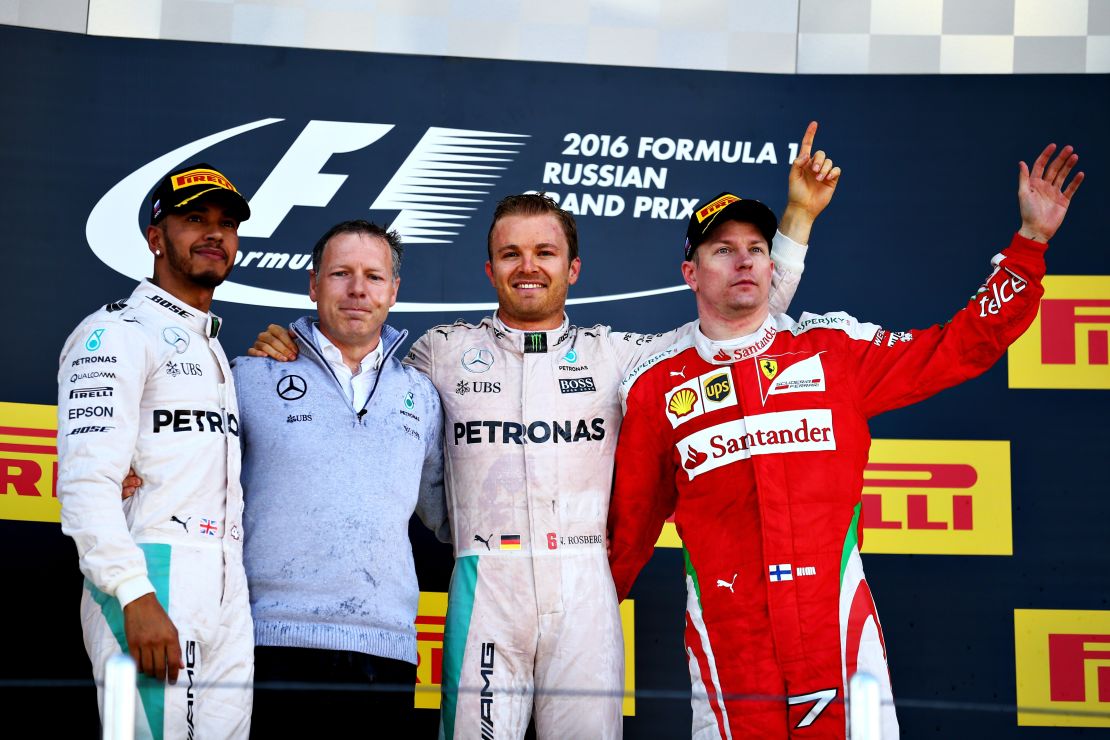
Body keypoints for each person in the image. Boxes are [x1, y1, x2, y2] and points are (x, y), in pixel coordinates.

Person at [251, 122, 840, 738]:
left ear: (574, 268)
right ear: (488, 268)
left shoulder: (616, 356)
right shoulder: (442, 351)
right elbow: (360, 379)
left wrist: (797, 219)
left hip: (586, 579)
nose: (527, 267)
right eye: (511, 254)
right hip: (483, 579)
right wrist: (292, 346)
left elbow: (741, 321)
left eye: (545, 253)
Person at [605, 143, 1084, 739]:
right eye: (723, 250)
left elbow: (959, 348)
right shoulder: (654, 385)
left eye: (756, 248)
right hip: (730, 646)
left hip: (838, 633)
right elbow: (628, 531)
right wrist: (582, 625)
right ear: (690, 271)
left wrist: (1030, 243)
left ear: (773, 265)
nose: (745, 262)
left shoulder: (833, 351)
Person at [57, 162, 254, 738]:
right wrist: (132, 594)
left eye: (226, 223)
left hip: (225, 588)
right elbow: (85, 483)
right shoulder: (116, 332)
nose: (214, 234)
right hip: (153, 579)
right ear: (154, 238)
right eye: (194, 219)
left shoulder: (215, 347)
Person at [230, 219, 448, 733]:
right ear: (313, 284)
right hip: (269, 642)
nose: (357, 290)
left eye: (373, 277)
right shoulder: (249, 376)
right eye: (340, 274)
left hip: (386, 648)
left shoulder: (423, 395)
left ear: (394, 291)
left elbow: (451, 517)